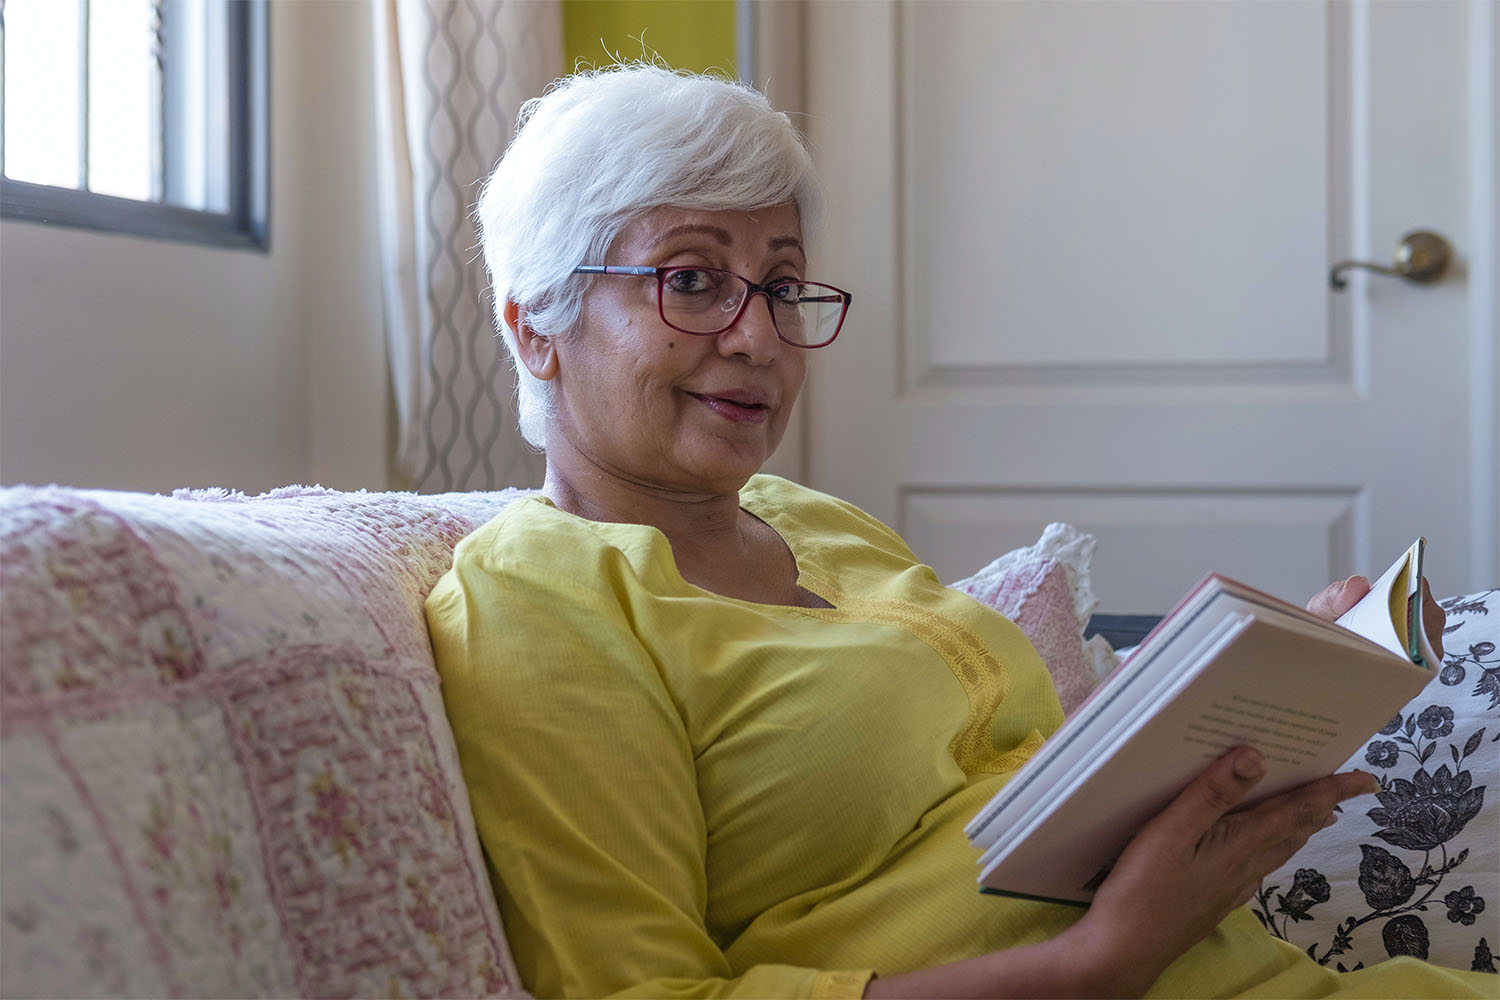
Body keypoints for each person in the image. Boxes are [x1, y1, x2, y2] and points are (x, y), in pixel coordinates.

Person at [426, 64, 1486, 998]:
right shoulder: (536, 595)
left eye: (784, 286)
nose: (758, 337)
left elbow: (1012, 793)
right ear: (537, 323)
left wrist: (1242, 687)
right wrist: (1097, 965)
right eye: (693, 280)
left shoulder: (815, 524)